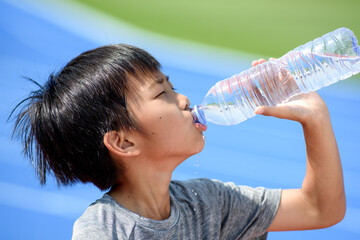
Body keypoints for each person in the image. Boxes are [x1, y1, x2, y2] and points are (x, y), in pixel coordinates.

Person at [11, 44, 346, 239]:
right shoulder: (103, 231)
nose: (184, 99)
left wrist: (315, 118)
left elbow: (320, 209)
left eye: (171, 86)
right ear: (124, 142)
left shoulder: (209, 204)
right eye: (162, 94)